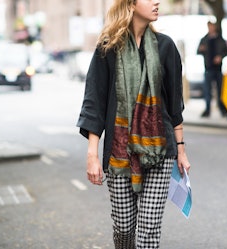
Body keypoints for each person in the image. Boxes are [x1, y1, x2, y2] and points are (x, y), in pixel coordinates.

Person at [76, 0, 191, 248]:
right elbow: (94, 103)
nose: (157, 2)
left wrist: (181, 151)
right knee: (124, 227)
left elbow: (174, 106)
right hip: (120, 153)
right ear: (130, 3)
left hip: (159, 150)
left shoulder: (166, 47)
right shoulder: (108, 48)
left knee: (149, 231)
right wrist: (92, 155)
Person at [197, 20, 227, 117]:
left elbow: (226, 51)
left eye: (212, 26)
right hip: (208, 68)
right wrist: (201, 50)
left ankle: (222, 109)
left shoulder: (220, 39)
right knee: (207, 91)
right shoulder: (204, 39)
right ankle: (207, 110)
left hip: (218, 69)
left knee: (220, 90)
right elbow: (198, 50)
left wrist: (220, 57)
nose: (210, 28)